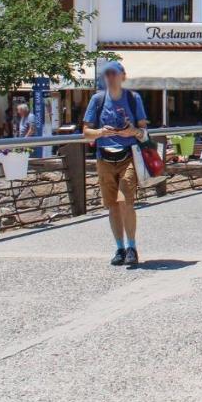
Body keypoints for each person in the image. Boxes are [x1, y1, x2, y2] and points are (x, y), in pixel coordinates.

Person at [83, 61, 150, 267]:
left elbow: (144, 132)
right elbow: (86, 132)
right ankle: (120, 248)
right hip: (104, 158)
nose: (111, 77)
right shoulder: (97, 99)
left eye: (114, 73)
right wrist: (102, 132)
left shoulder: (133, 98)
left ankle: (132, 247)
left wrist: (132, 132)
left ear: (123, 76)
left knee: (125, 202)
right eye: (107, 74)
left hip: (127, 156)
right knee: (112, 205)